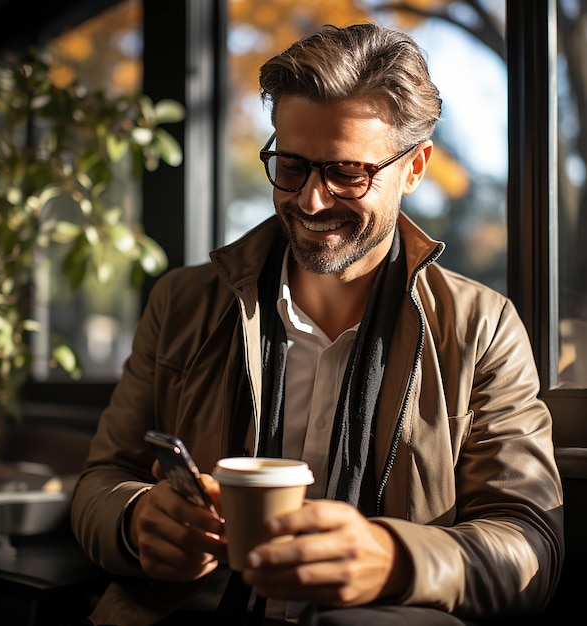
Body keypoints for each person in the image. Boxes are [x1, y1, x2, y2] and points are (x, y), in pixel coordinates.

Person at [69, 22, 564, 626]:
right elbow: (100, 482)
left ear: (415, 169)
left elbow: (530, 543)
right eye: (292, 165)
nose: (310, 201)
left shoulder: (482, 327)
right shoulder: (181, 302)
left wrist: (395, 560)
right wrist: (135, 519)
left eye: (347, 173)